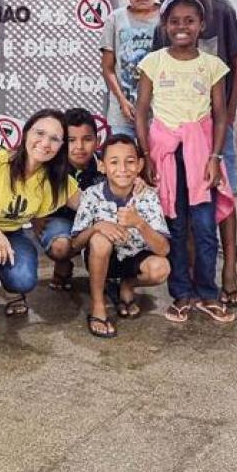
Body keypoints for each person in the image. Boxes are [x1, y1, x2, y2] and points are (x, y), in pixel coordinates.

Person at [136, 0, 236, 325]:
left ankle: (207, 293)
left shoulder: (212, 66)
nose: (182, 27)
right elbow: (141, 112)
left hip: (200, 155)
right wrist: (146, 154)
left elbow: (220, 115)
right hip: (166, 155)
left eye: (190, 21)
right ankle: (181, 294)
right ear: (164, 26)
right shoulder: (154, 62)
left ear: (202, 25)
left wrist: (215, 157)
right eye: (175, 21)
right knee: (175, 226)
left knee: (205, 227)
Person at [157, 0, 237, 306]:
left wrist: (227, 112)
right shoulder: (165, 14)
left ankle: (229, 271)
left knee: (222, 195)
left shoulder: (222, 10)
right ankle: (194, 273)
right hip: (177, 130)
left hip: (215, 127)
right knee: (185, 202)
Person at [0, 109, 81, 334]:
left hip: (14, 234)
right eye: (40, 133)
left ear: (61, 146)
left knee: (24, 280)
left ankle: (13, 292)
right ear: (26, 133)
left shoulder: (54, 177)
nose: (45, 143)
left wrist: (131, 192)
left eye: (54, 139)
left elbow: (89, 204)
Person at [70, 134, 170, 338]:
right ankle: (98, 305)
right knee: (100, 239)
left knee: (161, 268)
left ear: (140, 165)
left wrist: (140, 223)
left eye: (130, 161)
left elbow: (164, 250)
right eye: (114, 162)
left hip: (134, 259)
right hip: (101, 259)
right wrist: (97, 227)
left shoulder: (148, 196)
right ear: (103, 167)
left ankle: (127, 284)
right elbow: (75, 244)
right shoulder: (91, 195)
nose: (123, 168)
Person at [41, 108, 105, 291]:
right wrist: (35, 218)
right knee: (60, 246)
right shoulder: (50, 165)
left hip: (95, 223)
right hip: (61, 221)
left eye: (87, 139)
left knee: (106, 235)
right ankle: (63, 263)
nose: (79, 147)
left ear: (98, 141)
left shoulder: (108, 165)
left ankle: (111, 277)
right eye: (71, 140)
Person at [101, 0, 161, 137]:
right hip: (123, 113)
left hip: (159, 114)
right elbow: (107, 67)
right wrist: (122, 101)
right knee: (123, 160)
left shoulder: (168, 18)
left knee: (156, 162)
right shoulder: (115, 19)